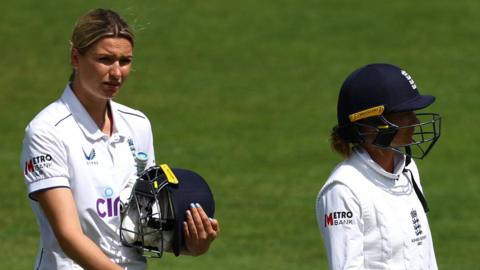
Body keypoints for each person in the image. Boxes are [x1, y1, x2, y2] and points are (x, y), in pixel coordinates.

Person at [20, 8, 219, 270]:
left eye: (124, 61)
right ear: (76, 58)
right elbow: (67, 235)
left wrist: (188, 245)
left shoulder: (137, 125)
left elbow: (143, 223)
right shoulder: (47, 131)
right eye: (105, 59)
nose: (116, 73)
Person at [316, 63, 441, 269]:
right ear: (373, 123)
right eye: (404, 114)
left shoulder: (408, 170)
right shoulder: (343, 190)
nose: (416, 121)